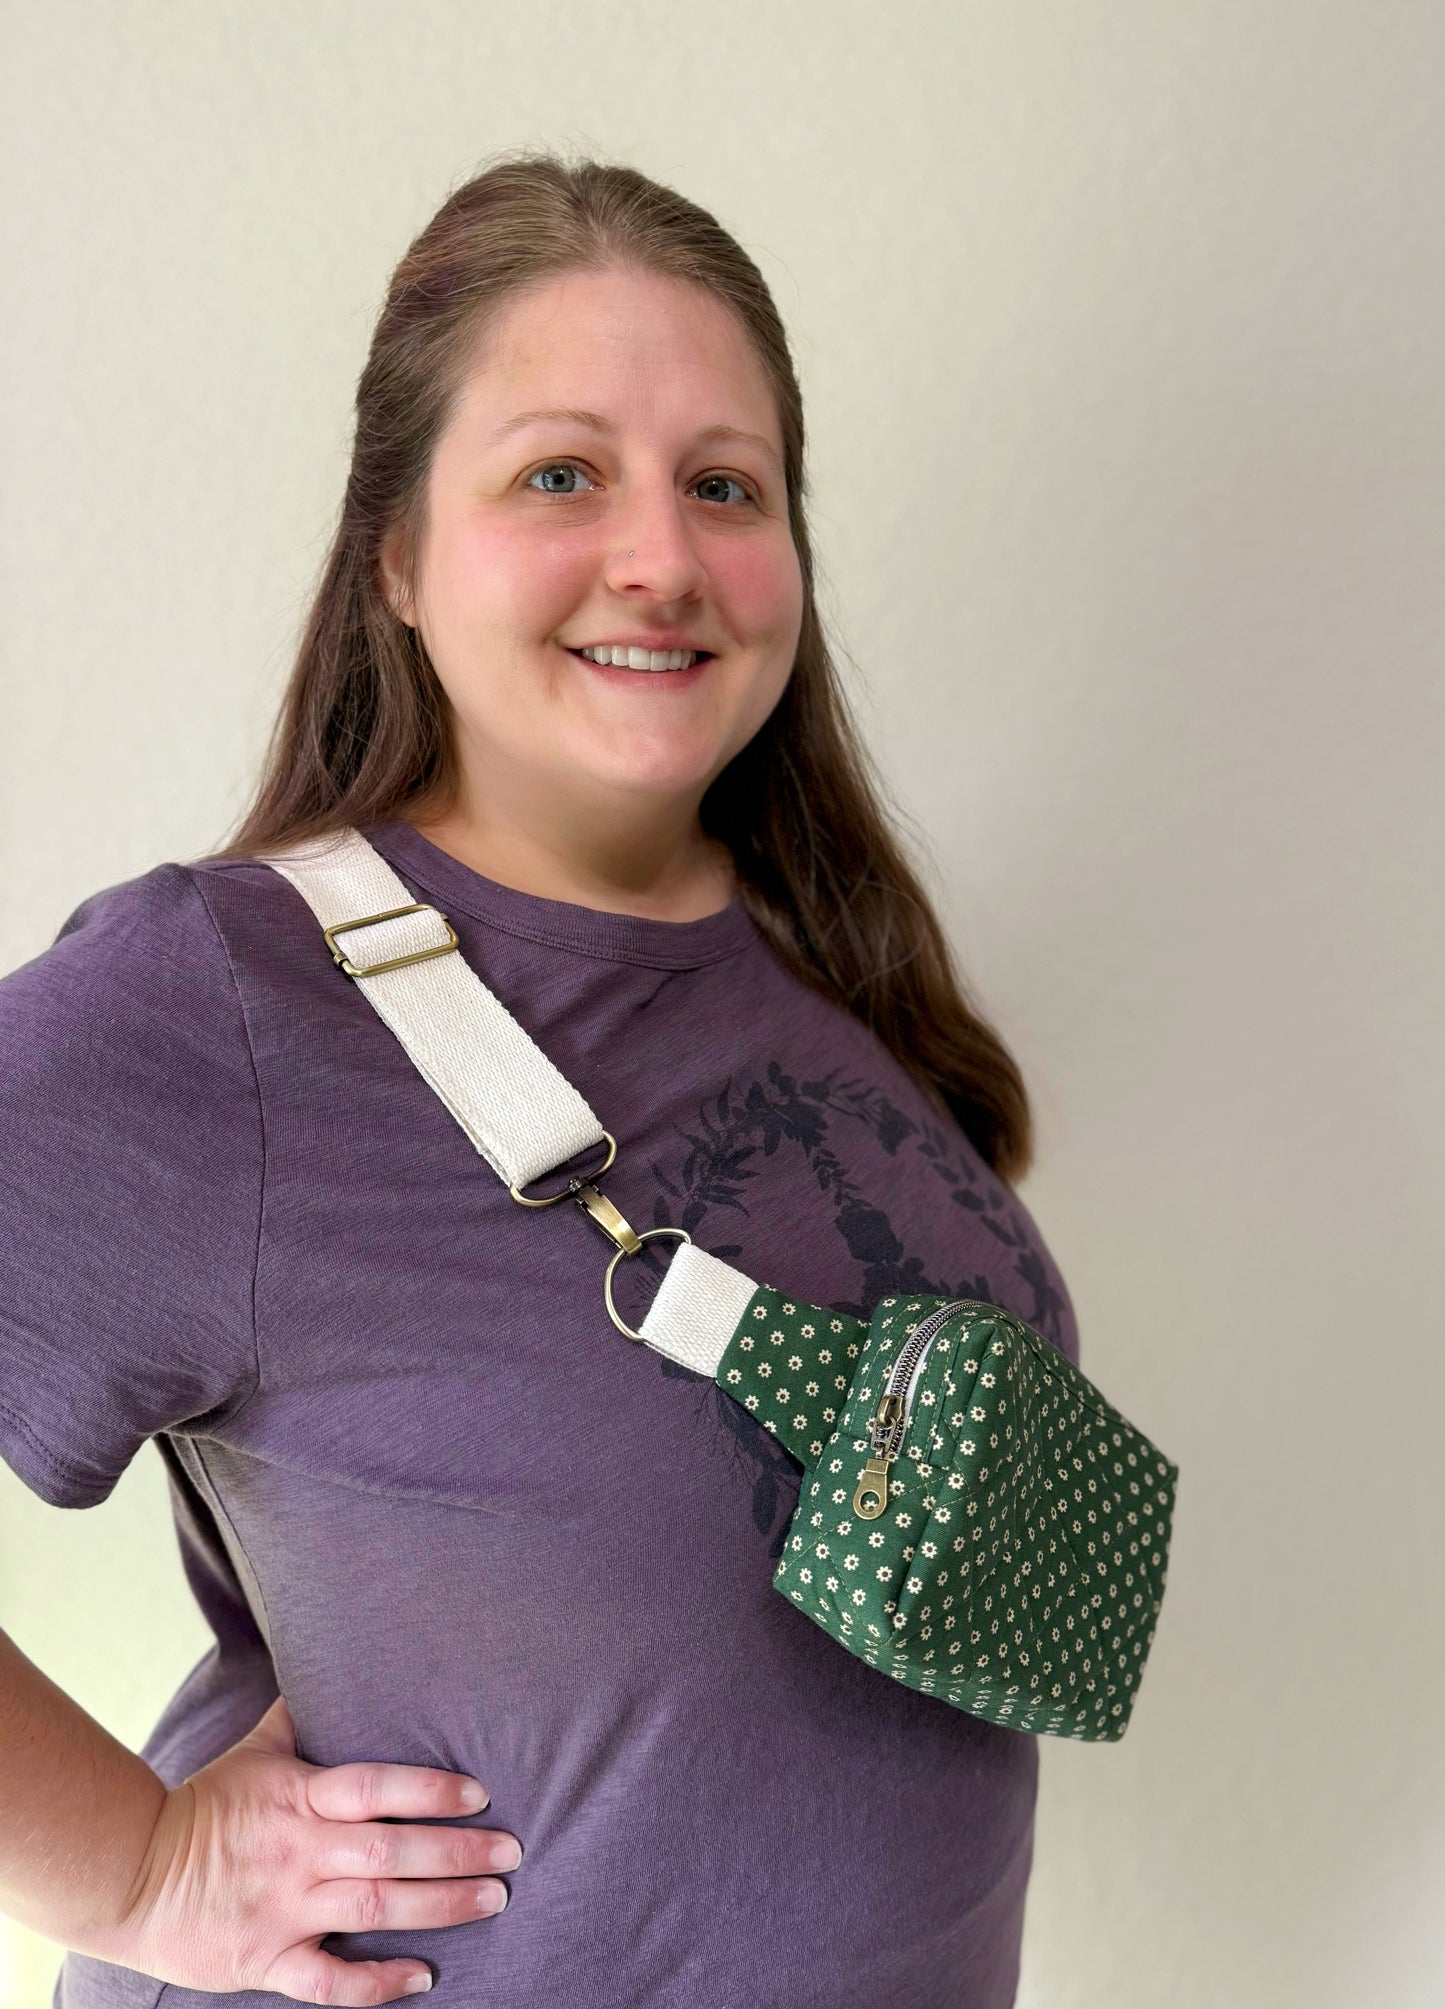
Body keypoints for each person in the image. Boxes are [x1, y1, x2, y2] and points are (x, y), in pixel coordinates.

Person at [0, 150, 1079, 2009]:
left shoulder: (838, 978)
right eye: (560, 473)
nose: (659, 553)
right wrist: (144, 1864)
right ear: (398, 560)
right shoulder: (225, 1003)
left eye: (723, 485)